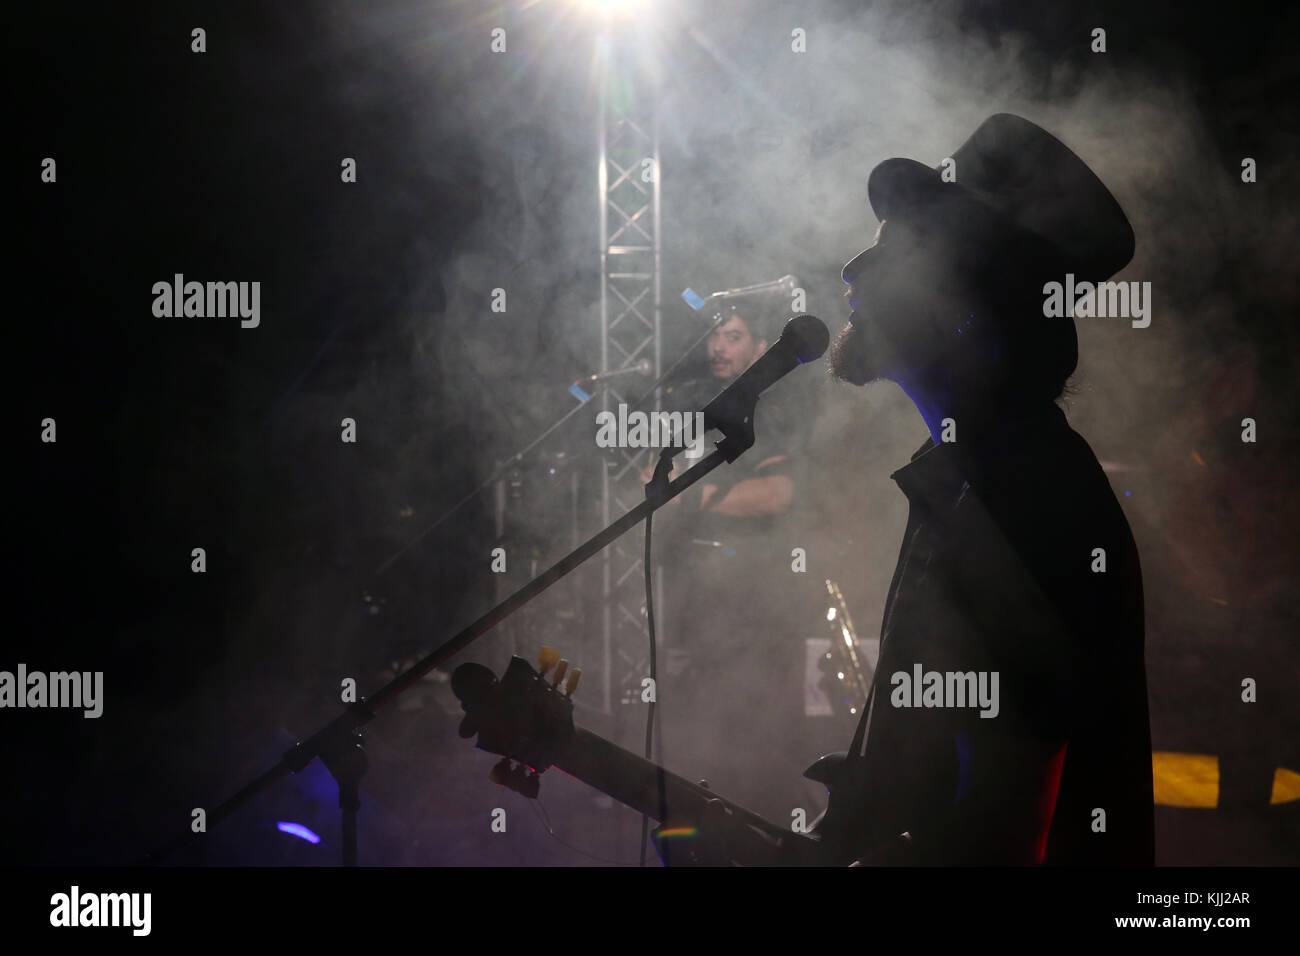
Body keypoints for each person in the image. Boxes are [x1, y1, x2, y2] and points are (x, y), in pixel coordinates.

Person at [824, 114, 1155, 865]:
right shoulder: (981, 473)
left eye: (893, 251)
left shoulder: (1025, 491)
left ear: (959, 309)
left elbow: (1004, 822)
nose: (853, 269)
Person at [647, 300, 824, 823]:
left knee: (764, 725)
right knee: (701, 727)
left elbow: (775, 493)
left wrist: (697, 503)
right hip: (700, 597)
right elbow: (648, 480)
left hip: (761, 598)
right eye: (715, 336)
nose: (718, 347)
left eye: (733, 335)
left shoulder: (779, 407)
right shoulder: (698, 404)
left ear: (761, 346)